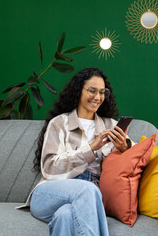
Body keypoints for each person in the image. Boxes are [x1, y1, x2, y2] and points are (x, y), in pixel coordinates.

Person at [28, 68, 132, 236]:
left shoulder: (111, 126)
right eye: (92, 91)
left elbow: (139, 154)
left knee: (65, 216)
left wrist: (124, 148)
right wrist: (91, 148)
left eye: (102, 92)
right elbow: (49, 168)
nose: (97, 97)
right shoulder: (59, 123)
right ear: (78, 91)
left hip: (89, 199)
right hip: (50, 193)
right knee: (87, 189)